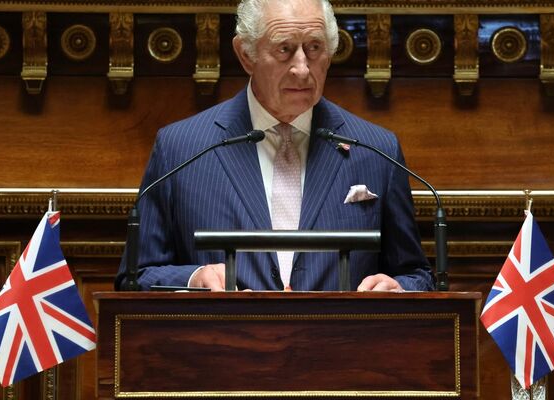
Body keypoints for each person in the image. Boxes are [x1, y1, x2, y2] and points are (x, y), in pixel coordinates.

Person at [115, 0, 434, 292]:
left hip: (340, 347)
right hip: (222, 348)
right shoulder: (181, 149)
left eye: (314, 48)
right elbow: (135, 278)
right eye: (284, 49)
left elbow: (418, 275)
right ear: (245, 55)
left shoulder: (376, 149)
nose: (302, 68)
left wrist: (399, 289)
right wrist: (191, 279)